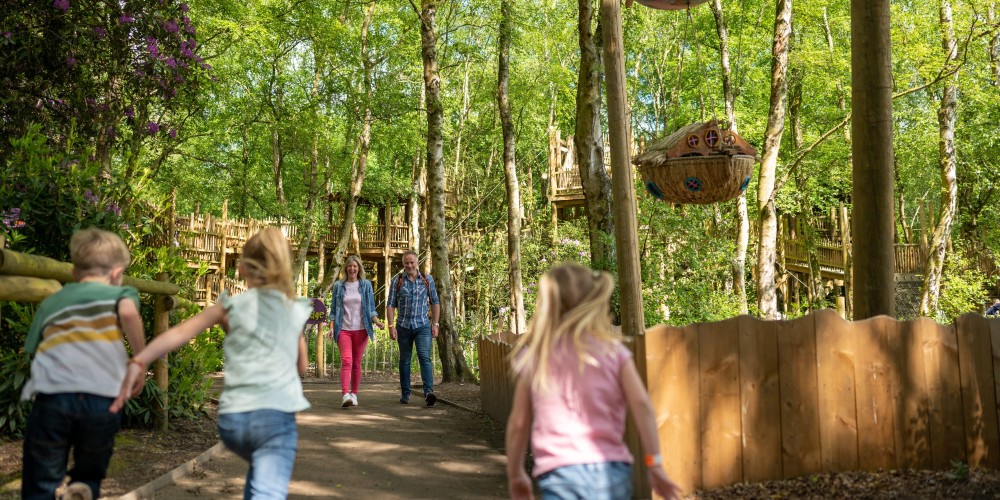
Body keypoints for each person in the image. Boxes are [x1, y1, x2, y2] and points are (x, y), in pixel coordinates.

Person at [111, 227, 312, 499]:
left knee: (261, 476)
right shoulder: (294, 310)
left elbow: (180, 333)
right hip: (274, 420)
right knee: (269, 486)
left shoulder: (230, 307)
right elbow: (301, 366)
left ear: (241, 268)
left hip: (234, 421)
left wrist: (140, 360)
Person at [505, 263, 681, 500]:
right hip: (612, 471)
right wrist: (655, 463)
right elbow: (642, 406)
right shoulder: (614, 353)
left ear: (546, 306)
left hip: (560, 474)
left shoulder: (535, 358)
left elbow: (518, 423)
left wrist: (515, 473)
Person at [21, 228, 147, 500]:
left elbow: (32, 348)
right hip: (103, 399)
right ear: (116, 274)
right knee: (91, 467)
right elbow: (128, 313)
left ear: (75, 273)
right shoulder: (121, 294)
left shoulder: (53, 299)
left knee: (41, 475)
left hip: (54, 397)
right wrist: (140, 361)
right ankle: (84, 487)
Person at [386, 250, 440, 406]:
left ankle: (429, 392)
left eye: (412, 262)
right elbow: (390, 305)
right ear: (403, 264)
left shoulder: (426, 279)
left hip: (422, 325)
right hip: (403, 326)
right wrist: (391, 326)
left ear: (417, 263)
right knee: (405, 360)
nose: (409, 265)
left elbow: (435, 302)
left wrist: (435, 324)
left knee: (424, 357)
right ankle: (405, 393)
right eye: (406, 263)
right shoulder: (398, 280)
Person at [329, 255, 384, 408]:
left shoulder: (366, 285)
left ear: (359, 268)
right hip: (343, 329)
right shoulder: (339, 286)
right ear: (346, 268)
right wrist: (332, 327)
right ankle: (345, 394)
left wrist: (378, 322)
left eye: (355, 266)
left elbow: (371, 309)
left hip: (361, 329)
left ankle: (354, 394)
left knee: (356, 363)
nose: (352, 269)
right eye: (349, 266)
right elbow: (333, 310)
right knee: (347, 361)